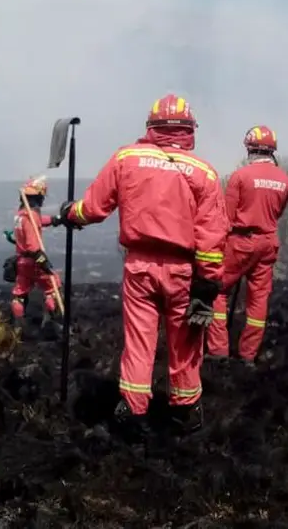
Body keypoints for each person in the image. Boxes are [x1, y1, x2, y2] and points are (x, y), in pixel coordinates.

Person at [58, 94, 228, 439]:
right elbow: (212, 234)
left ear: (151, 127)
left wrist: (68, 213)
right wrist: (207, 285)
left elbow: (92, 208)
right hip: (183, 271)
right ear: (189, 130)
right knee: (186, 341)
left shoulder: (127, 158)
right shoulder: (205, 173)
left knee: (139, 341)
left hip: (139, 268)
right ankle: (185, 412)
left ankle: (133, 411)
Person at [207, 126, 288, 364]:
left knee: (217, 291)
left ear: (249, 148)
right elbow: (279, 213)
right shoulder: (285, 180)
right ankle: (248, 355)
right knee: (258, 300)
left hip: (240, 242)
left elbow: (226, 217)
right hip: (268, 242)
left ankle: (218, 350)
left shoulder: (240, 177)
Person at [9, 176, 64, 330]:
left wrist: (55, 220)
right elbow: (33, 246)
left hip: (21, 262)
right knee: (53, 287)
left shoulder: (20, 215)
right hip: (34, 262)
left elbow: (37, 221)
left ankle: (18, 329)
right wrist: (43, 262)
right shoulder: (31, 216)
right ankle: (51, 325)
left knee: (19, 294)